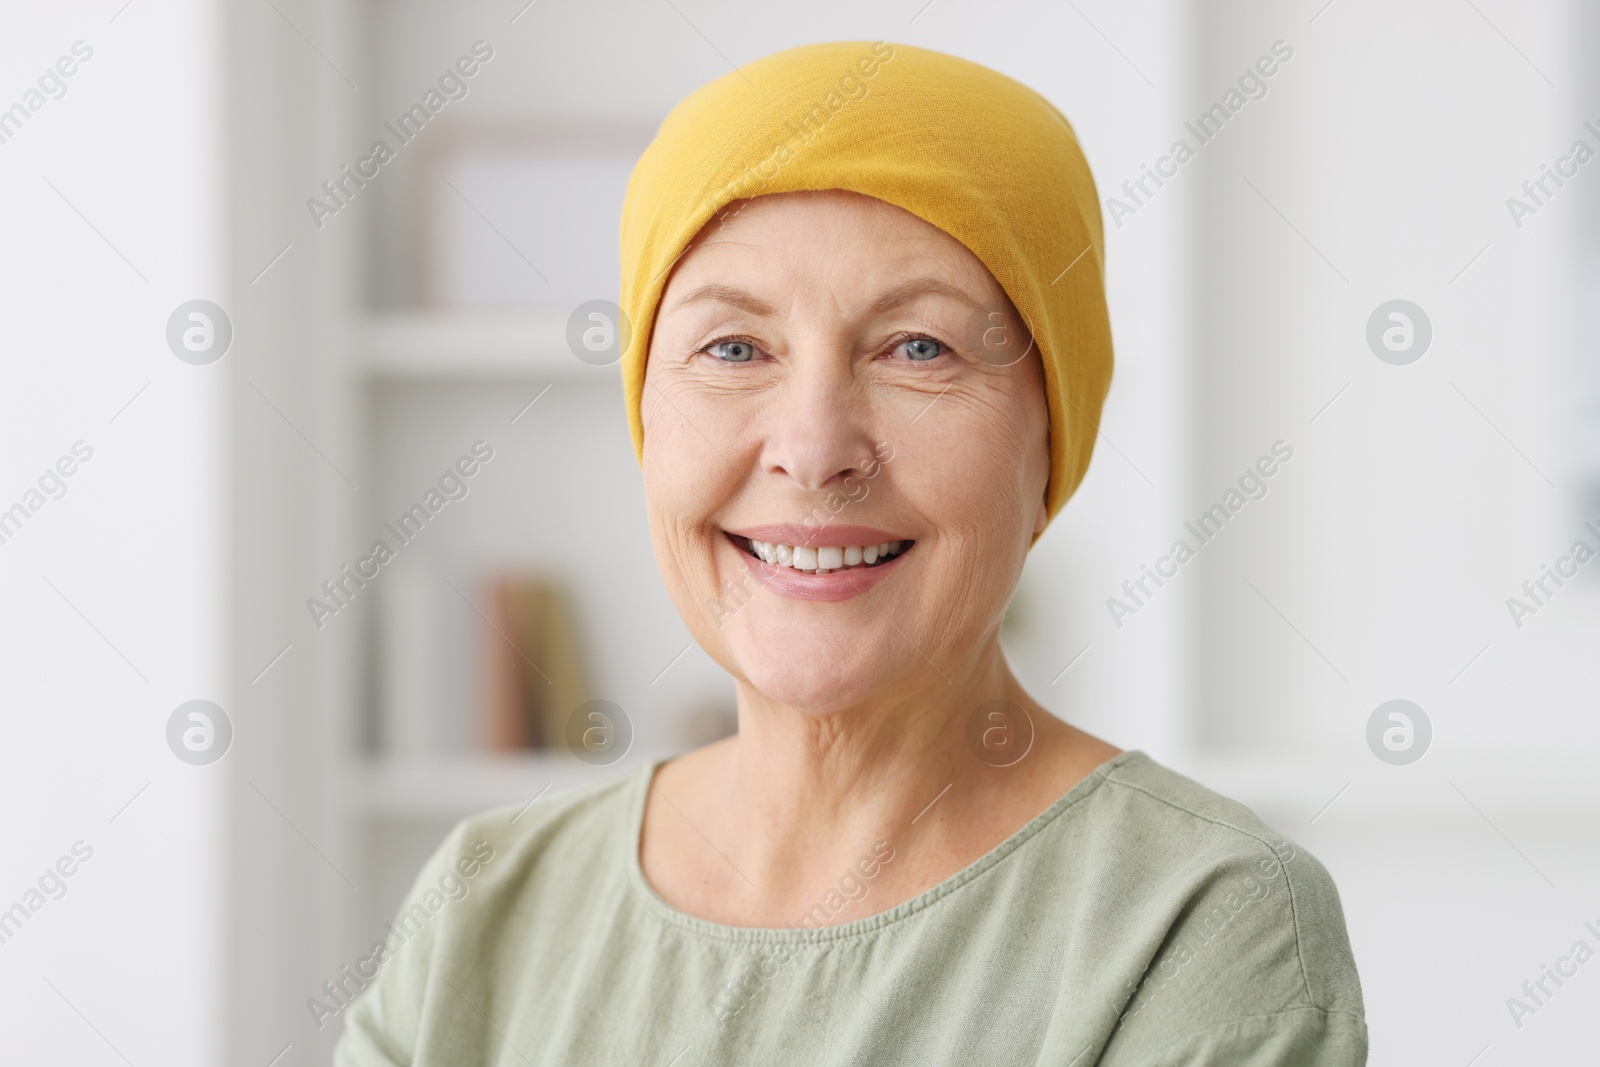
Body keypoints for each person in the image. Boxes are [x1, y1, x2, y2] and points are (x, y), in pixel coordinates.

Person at [335, 40, 1366, 1065]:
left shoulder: (1198, 920)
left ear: (1051, 432)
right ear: (645, 413)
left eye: (919, 347)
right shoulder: (485, 902)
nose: (815, 450)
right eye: (733, 348)